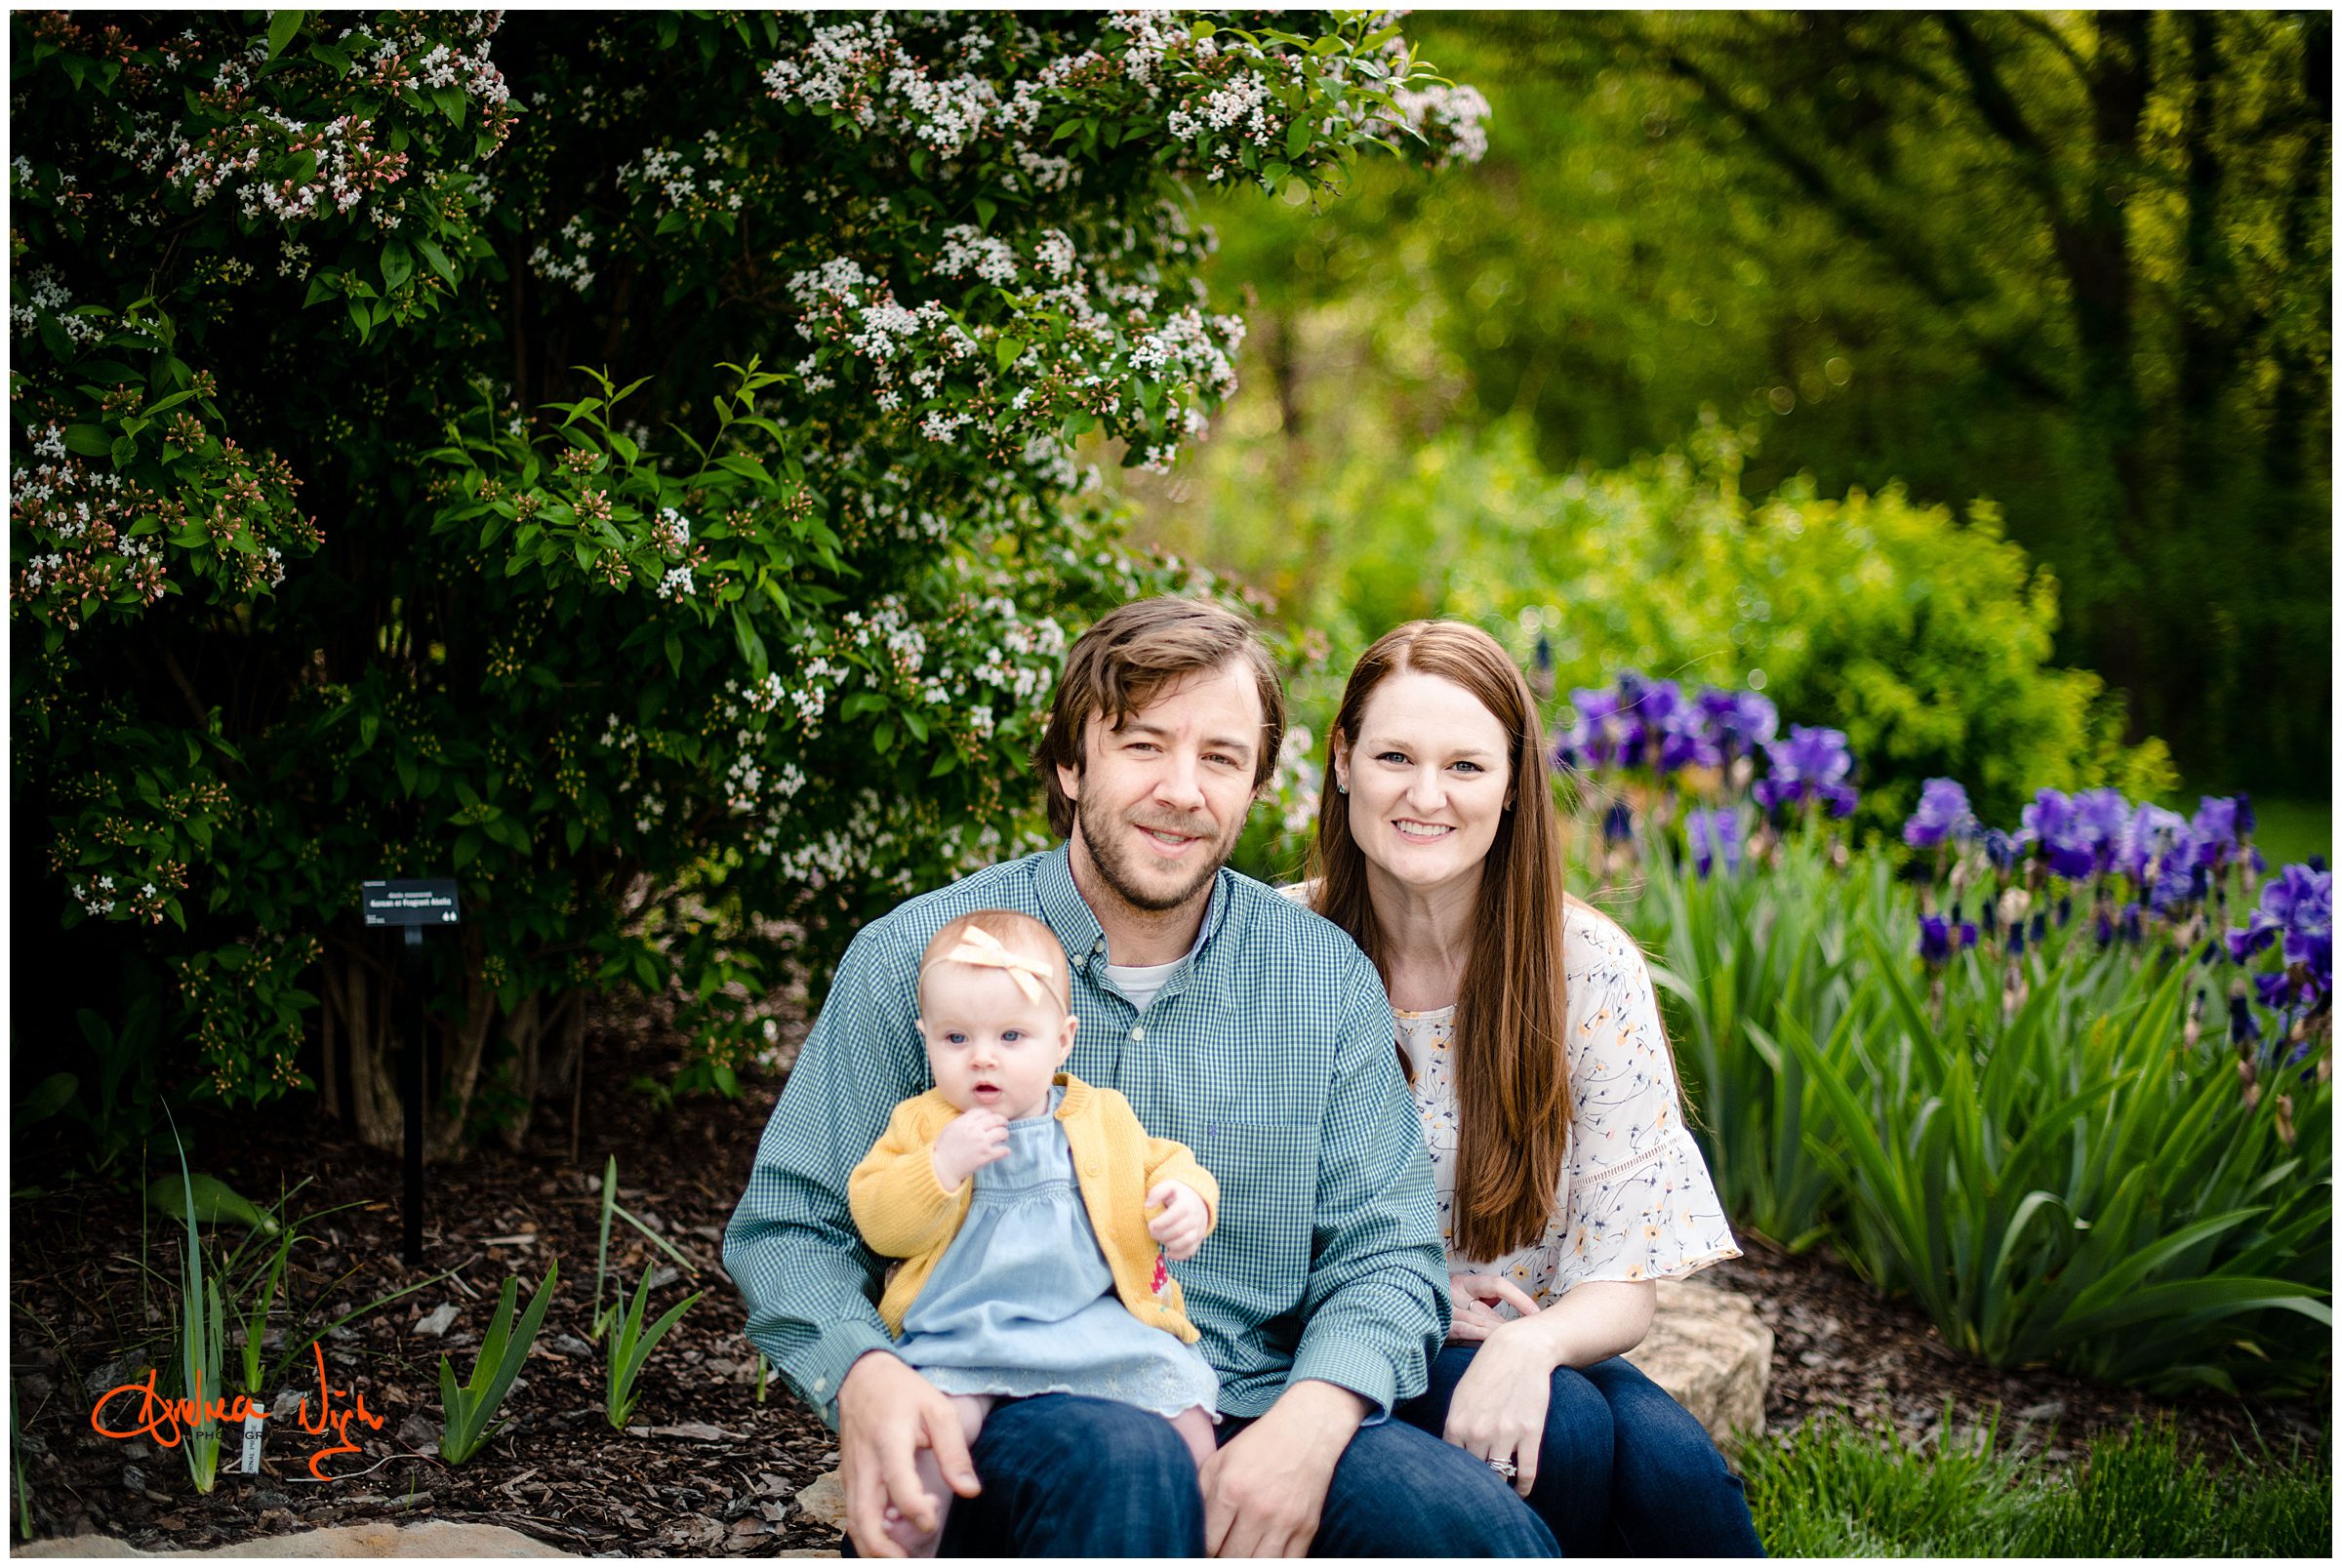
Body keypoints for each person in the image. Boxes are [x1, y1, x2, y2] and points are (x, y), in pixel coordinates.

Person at [724, 596, 1555, 1558]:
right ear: (1072, 763)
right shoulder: (917, 955)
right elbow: (790, 1226)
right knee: (1132, 1464)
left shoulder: (1324, 979)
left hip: (1251, 1399)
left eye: (1220, 757)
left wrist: (1311, 1422)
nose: (1181, 790)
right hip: (1006, 1402)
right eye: (1145, 744)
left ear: (1256, 785)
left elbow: (1386, 1252)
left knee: (1482, 1537)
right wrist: (863, 1373)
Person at [1303, 619, 1765, 1556]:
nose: (1425, 794)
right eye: (1395, 755)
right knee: (1575, 1437)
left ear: (1514, 784)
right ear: (1343, 760)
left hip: (1536, 1339)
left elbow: (1624, 1274)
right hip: (1346, 1335)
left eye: (1467, 766)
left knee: (1675, 1473)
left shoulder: (1582, 965)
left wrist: (1530, 1345)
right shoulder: (1284, 954)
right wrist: (1425, 1300)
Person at [848, 908, 1220, 1554]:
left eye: (1012, 1035)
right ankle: (909, 1530)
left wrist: (1185, 1199)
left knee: (1188, 1416)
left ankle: (1201, 1522)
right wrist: (939, 1167)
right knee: (935, 1435)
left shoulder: (1102, 1114)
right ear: (926, 1036)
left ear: (1063, 1039)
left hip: (1087, 1326)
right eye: (956, 1038)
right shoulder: (923, 1124)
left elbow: (1169, 1160)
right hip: (964, 1331)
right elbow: (878, 1217)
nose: (982, 1057)